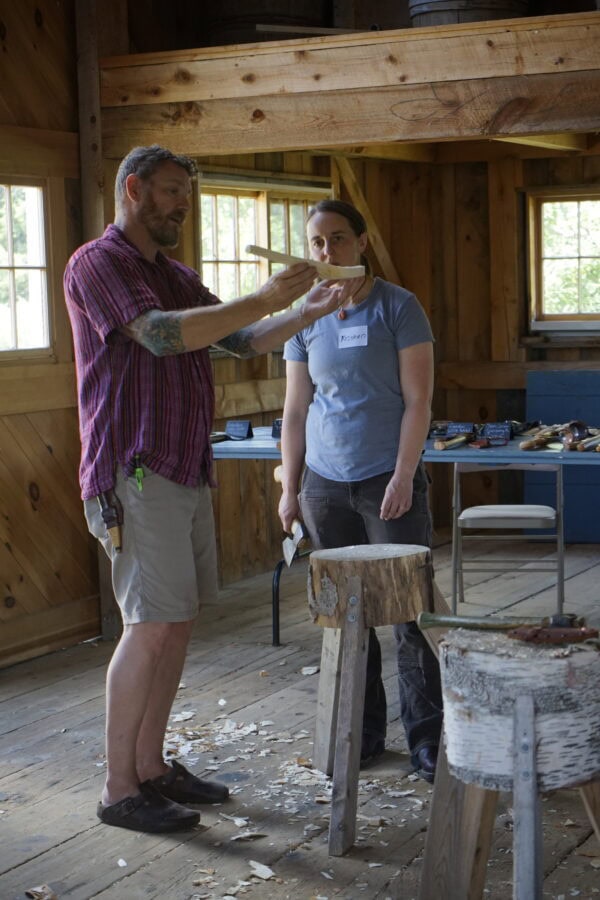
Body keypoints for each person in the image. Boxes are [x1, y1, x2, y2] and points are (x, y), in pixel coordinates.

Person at [64, 145, 360, 834]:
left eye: (187, 194)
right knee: (150, 627)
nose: (181, 205)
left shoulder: (173, 273)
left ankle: (150, 767)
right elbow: (162, 338)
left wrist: (306, 309)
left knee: (176, 623)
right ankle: (116, 789)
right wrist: (261, 296)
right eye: (170, 192)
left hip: (182, 465)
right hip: (132, 470)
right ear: (132, 189)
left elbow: (242, 341)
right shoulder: (98, 263)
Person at [278, 199, 443, 782]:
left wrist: (403, 474)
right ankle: (363, 734)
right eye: (317, 243)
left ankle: (427, 740)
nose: (328, 252)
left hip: (385, 478)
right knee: (348, 616)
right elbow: (295, 410)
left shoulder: (398, 307)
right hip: (325, 484)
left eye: (339, 239)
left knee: (410, 612)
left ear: (362, 241)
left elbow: (418, 401)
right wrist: (290, 486)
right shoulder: (305, 315)